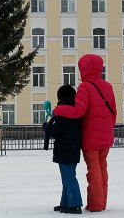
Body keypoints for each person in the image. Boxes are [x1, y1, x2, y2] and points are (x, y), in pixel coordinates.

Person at [53, 53, 117, 213]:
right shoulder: (108, 86)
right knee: (103, 169)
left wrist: (58, 110)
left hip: (91, 138)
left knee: (93, 170)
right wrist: (107, 129)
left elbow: (78, 111)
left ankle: (95, 204)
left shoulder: (85, 87)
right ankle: (102, 203)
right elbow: (114, 112)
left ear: (83, 69)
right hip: (106, 136)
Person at [44, 85, 83, 214]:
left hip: (64, 149)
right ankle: (66, 203)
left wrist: (46, 127)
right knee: (68, 177)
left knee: (68, 178)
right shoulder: (76, 111)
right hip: (73, 148)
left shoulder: (62, 112)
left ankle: (75, 204)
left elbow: (56, 132)